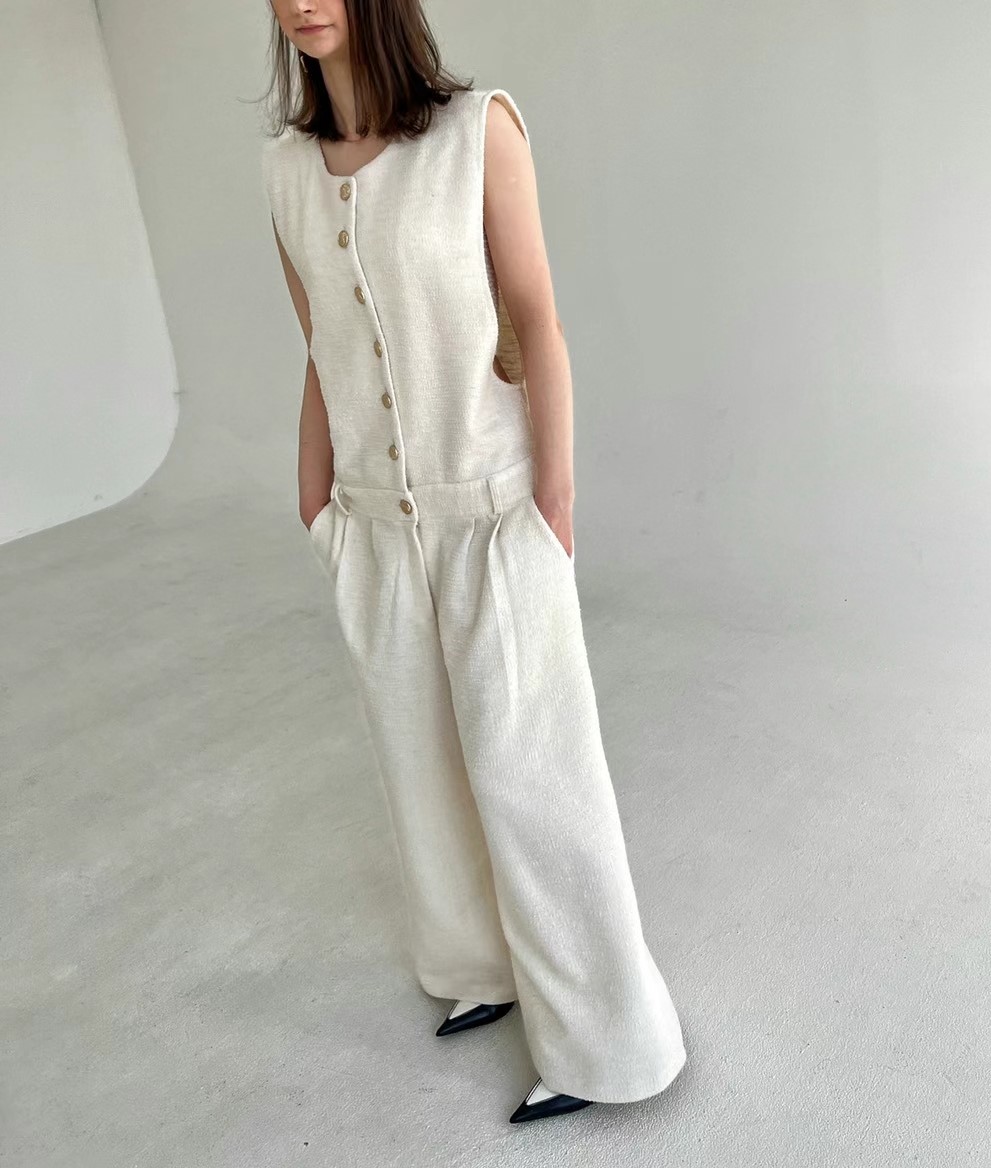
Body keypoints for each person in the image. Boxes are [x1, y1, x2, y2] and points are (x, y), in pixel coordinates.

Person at [261, 0, 687, 1124]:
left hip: (493, 512)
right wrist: (314, 497)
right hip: (370, 520)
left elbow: (537, 318)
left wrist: (554, 503)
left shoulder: (475, 132)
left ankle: (609, 1044)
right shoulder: (287, 171)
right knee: (416, 763)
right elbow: (323, 347)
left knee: (538, 781)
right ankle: (476, 967)